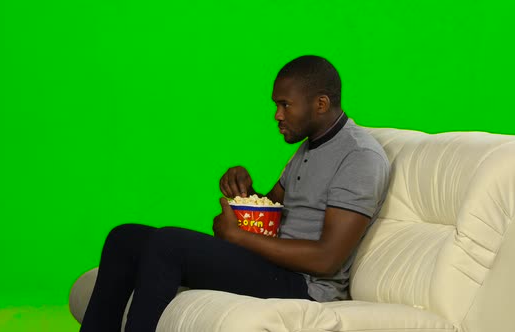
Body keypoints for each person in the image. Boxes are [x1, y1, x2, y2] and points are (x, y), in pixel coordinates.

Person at [79, 55, 390, 332]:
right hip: (271, 265)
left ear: (320, 104)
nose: (277, 115)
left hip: (305, 285)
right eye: (276, 105)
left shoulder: (359, 157)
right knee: (125, 238)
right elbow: (272, 207)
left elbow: (327, 259)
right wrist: (245, 190)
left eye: (285, 105)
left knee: (168, 244)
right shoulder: (310, 146)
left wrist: (237, 237)